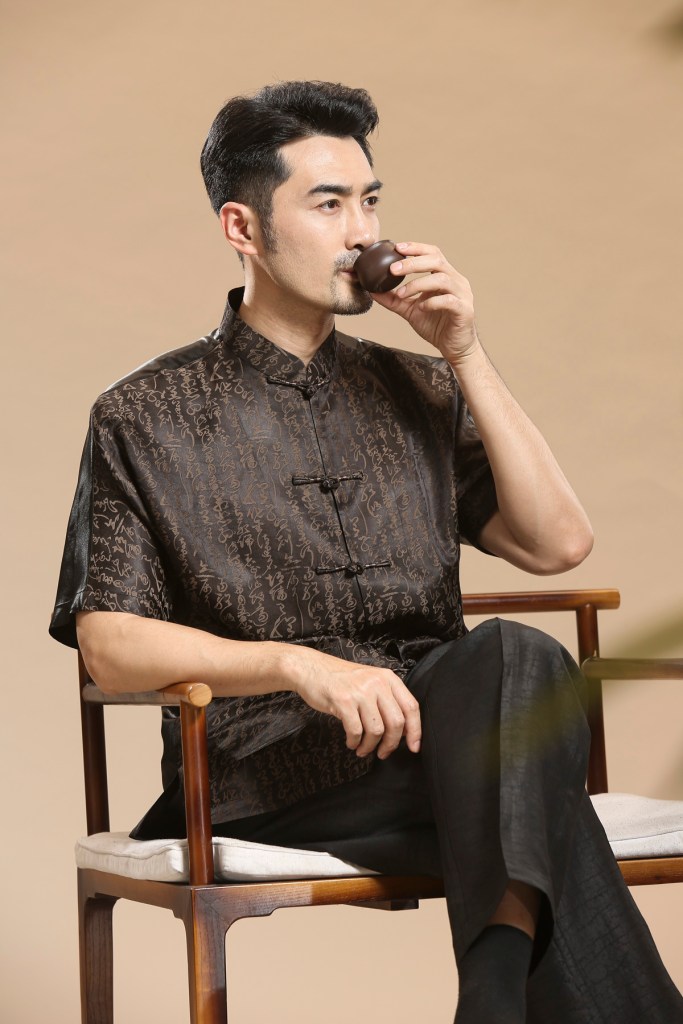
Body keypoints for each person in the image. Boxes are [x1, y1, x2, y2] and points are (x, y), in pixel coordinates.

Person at [50, 80, 683, 1023]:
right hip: (266, 772)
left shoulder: (422, 386)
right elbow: (109, 642)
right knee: (536, 788)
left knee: (514, 655)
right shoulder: (145, 414)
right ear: (242, 227)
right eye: (327, 204)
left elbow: (556, 544)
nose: (361, 232)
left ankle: (492, 997)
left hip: (444, 745)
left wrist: (463, 352)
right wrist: (296, 665)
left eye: (370, 201)